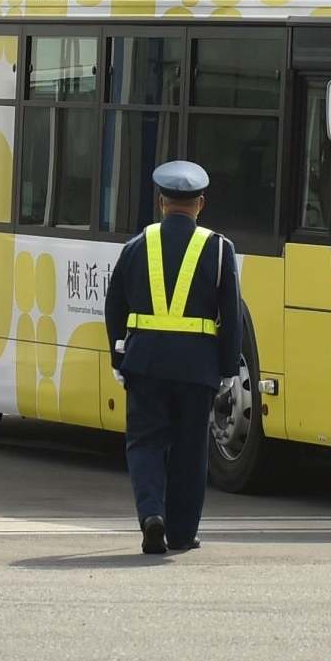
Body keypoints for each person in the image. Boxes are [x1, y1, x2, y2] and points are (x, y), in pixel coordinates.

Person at [105, 160, 241, 556]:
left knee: (144, 443)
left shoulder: (136, 246)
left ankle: (151, 516)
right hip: (197, 369)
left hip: (144, 363)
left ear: (161, 202)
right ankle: (182, 532)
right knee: (189, 450)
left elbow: (114, 305)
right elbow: (231, 314)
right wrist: (229, 370)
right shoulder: (219, 249)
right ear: (201, 204)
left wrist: (118, 355)